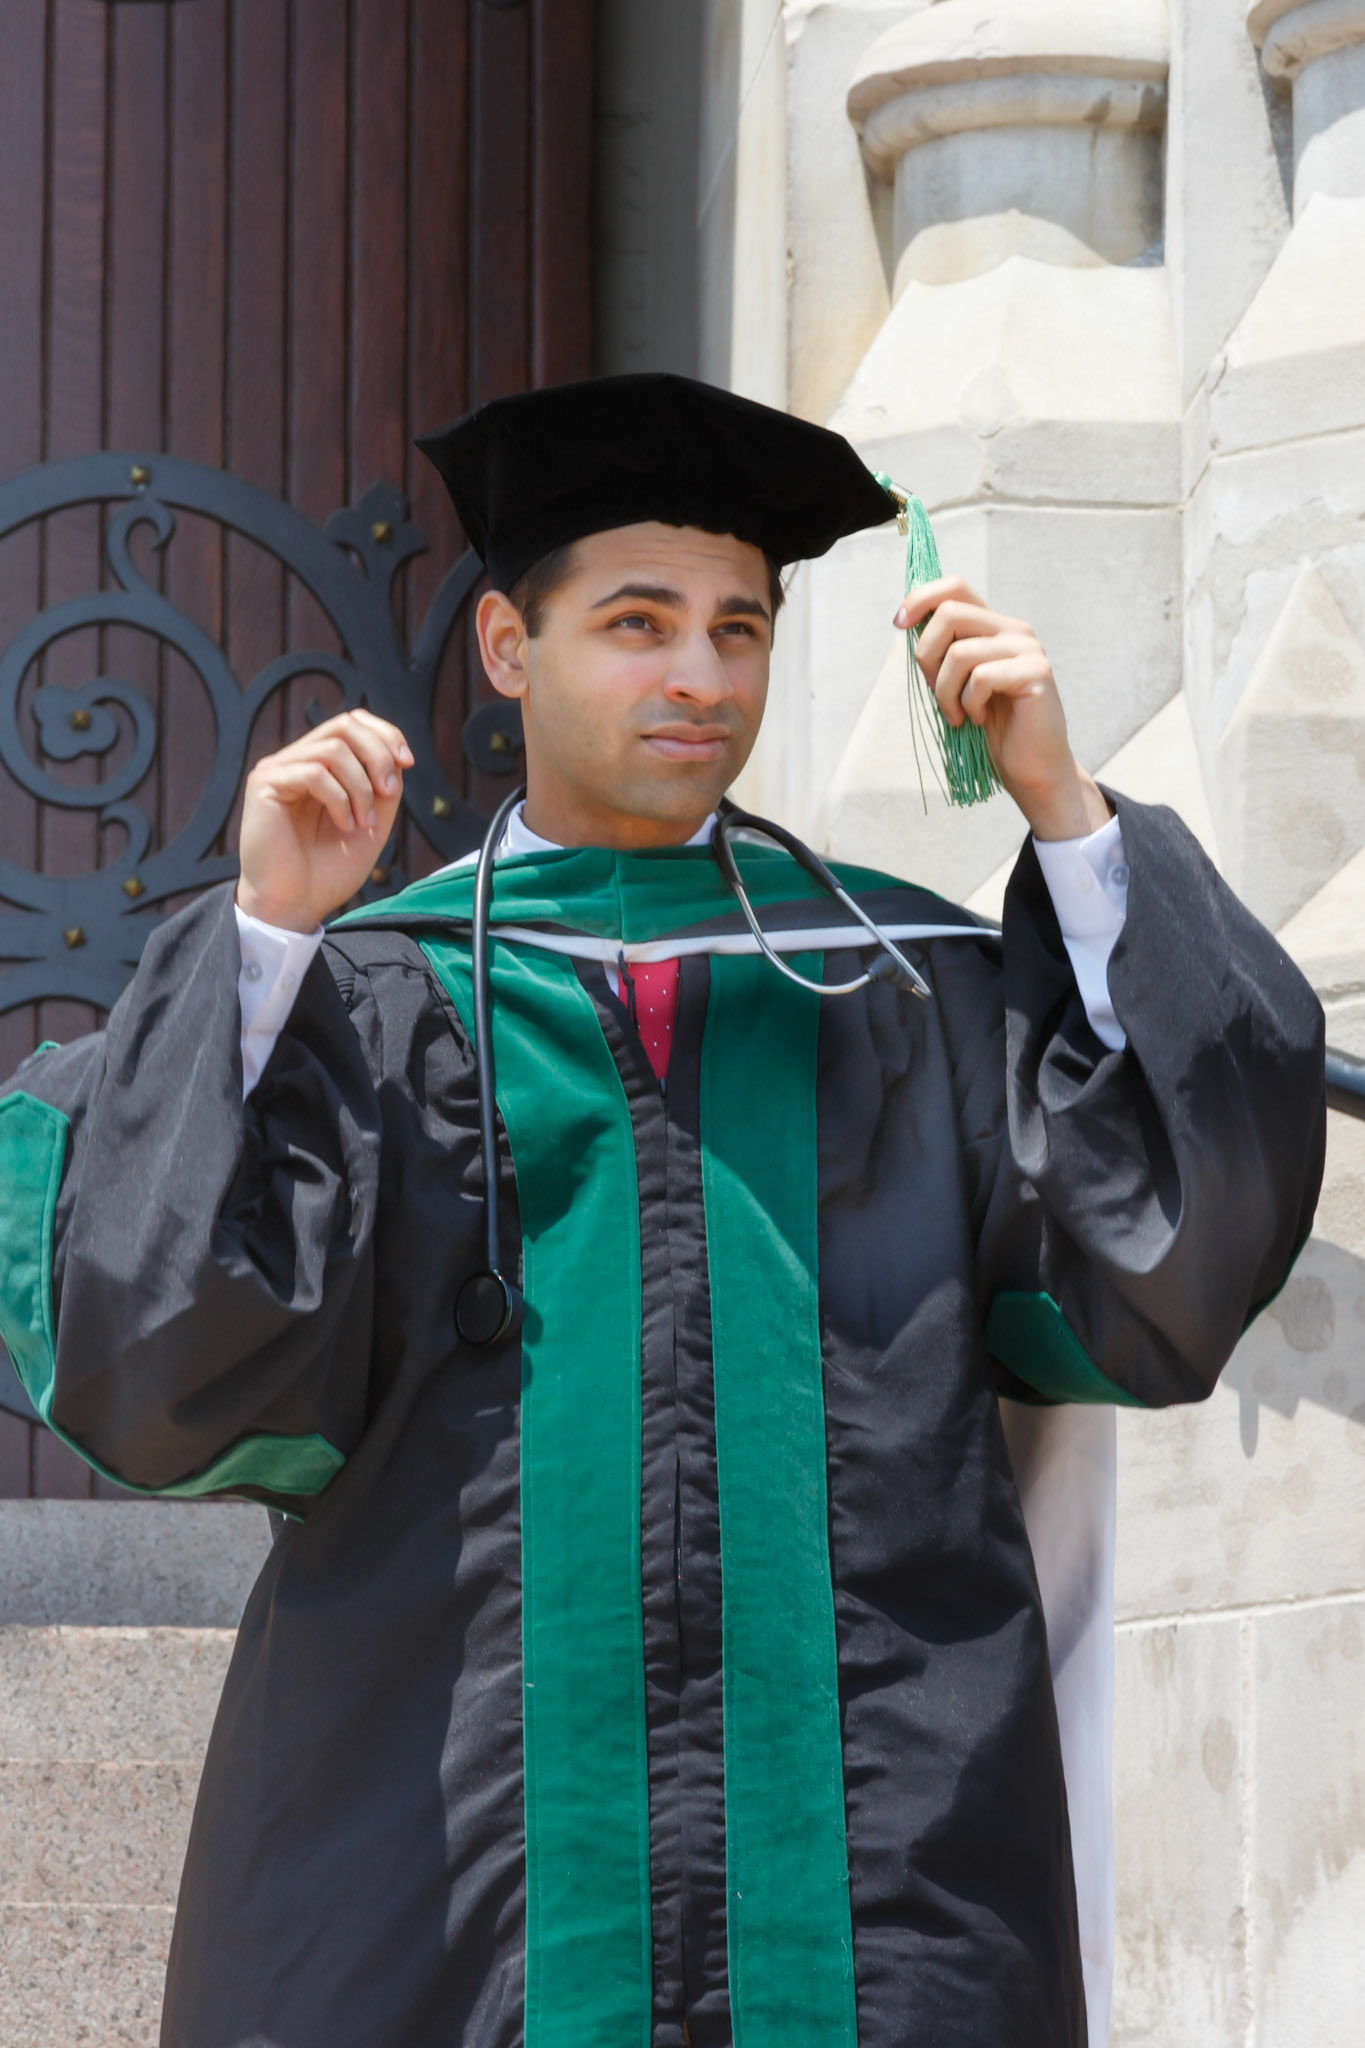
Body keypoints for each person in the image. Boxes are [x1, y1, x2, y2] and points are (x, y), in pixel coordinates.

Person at [0, 375, 1324, 2048]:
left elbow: (1173, 1253)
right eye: (638, 623)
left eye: (737, 629)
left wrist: (1069, 814)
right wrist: (265, 935)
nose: (700, 676)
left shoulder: (898, 989)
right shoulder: (372, 1002)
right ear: (507, 647)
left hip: (878, 1891)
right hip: (442, 1887)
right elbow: (150, 1350)